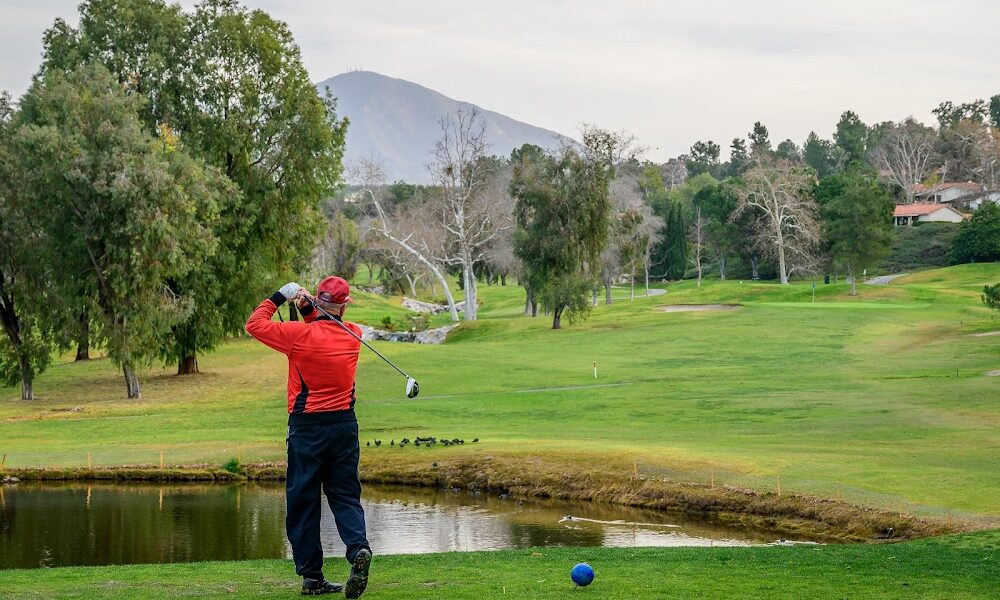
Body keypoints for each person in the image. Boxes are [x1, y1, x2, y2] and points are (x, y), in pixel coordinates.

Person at [246, 276, 372, 597]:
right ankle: (358, 547)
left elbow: (255, 324)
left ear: (318, 299)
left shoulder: (298, 336)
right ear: (343, 306)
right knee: (344, 494)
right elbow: (325, 327)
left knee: (303, 501)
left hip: (307, 428)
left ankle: (312, 578)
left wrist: (282, 296)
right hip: (344, 426)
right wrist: (309, 311)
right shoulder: (354, 334)